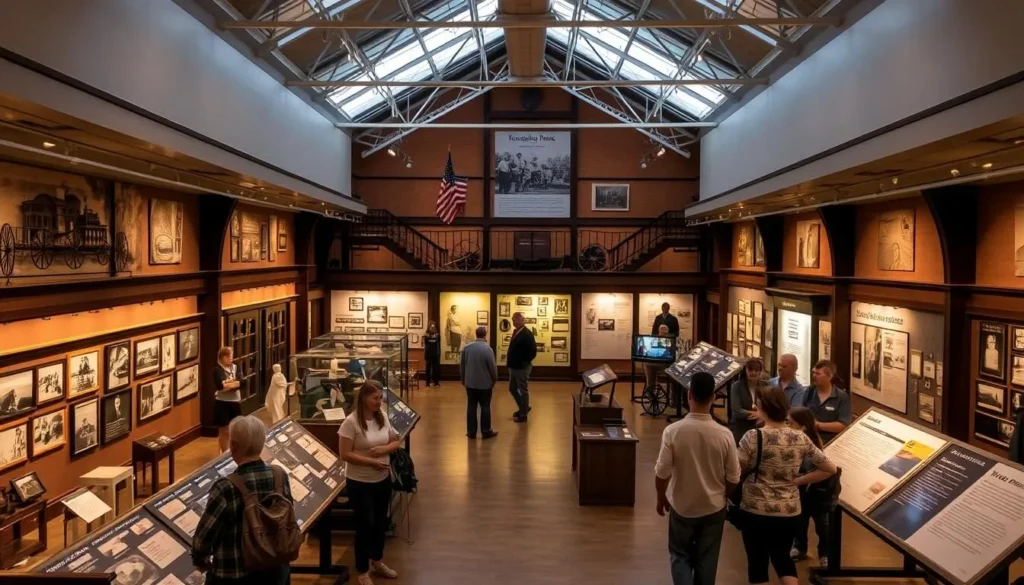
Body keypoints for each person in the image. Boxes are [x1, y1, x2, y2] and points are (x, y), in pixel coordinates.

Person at [737, 387, 837, 585]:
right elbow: (830, 468)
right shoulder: (799, 437)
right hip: (788, 509)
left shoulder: (753, 436)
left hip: (755, 507)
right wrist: (798, 480)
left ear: (763, 408)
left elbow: (737, 470)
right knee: (783, 560)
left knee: (757, 563)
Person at [655, 371, 740, 585]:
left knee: (680, 555)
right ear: (713, 397)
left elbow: (662, 472)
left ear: (689, 395)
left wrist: (661, 497)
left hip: (682, 505)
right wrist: (723, 495)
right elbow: (733, 476)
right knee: (708, 559)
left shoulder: (673, 431)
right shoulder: (725, 434)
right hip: (713, 506)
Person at [192, 416, 292, 585]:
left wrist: (199, 559)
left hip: (234, 573)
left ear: (233, 446)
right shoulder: (279, 475)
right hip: (275, 567)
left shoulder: (225, 487)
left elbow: (205, 536)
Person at [339, 381, 402, 585]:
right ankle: (362, 570)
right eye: (375, 398)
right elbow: (345, 454)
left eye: (380, 398)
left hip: (382, 480)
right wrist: (371, 462)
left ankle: (377, 560)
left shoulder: (382, 416)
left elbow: (396, 440)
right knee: (365, 525)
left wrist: (385, 450)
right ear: (364, 398)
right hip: (359, 482)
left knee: (380, 523)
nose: (379, 401)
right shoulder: (350, 423)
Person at [788, 407, 835, 567]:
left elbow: (821, 468)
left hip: (817, 493)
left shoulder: (813, 445)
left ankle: (825, 553)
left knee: (822, 526)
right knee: (799, 522)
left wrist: (798, 478)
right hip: (801, 493)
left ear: (803, 426)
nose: (787, 426)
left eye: (791, 423)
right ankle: (799, 547)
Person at [798, 360, 852, 444]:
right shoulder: (810, 391)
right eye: (813, 373)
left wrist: (818, 425)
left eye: (818, 374)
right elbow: (802, 413)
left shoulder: (841, 397)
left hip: (830, 442)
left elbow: (843, 425)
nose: (814, 376)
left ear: (830, 376)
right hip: (807, 440)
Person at [460, 326, 498, 439]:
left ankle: (471, 431)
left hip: (470, 383)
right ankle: (486, 431)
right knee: (485, 406)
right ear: (485, 335)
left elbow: (462, 365)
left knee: (471, 406)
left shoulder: (467, 348)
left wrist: (463, 379)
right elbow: (492, 367)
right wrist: (494, 379)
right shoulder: (487, 349)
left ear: (476, 334)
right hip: (485, 384)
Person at [506, 312, 536, 423]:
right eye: (513, 319)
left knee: (523, 390)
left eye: (516, 319)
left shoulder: (527, 334)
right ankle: (524, 407)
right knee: (512, 388)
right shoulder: (516, 331)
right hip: (514, 366)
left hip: (521, 367)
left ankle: (523, 415)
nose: (514, 322)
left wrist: (524, 362)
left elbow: (532, 352)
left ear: (522, 320)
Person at [213, 347, 242, 453]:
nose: (231, 358)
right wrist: (234, 383)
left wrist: (228, 384)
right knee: (224, 429)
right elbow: (220, 386)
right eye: (228, 356)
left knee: (236, 428)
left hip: (235, 402)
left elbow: (243, 382)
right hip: (222, 403)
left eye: (231, 356)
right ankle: (225, 452)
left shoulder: (236, 367)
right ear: (222, 357)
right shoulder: (217, 370)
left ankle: (234, 450)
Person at [729, 358, 765, 443]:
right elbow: (737, 411)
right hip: (740, 429)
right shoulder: (736, 386)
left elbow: (769, 407)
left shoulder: (765, 385)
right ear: (745, 370)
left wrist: (762, 414)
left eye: (756, 370)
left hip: (760, 429)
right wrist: (758, 414)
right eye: (750, 369)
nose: (753, 372)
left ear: (760, 371)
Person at [643, 324, 673, 389]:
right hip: (652, 363)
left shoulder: (670, 340)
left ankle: (672, 392)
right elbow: (650, 350)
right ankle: (650, 389)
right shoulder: (654, 339)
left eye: (664, 331)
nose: (662, 333)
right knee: (648, 367)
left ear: (667, 332)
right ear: (659, 331)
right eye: (661, 331)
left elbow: (671, 353)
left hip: (665, 364)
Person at [423, 321, 441, 387]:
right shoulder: (426, 334)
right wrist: (432, 339)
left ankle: (436, 382)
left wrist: (432, 339)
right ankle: (427, 383)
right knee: (428, 369)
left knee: (436, 368)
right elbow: (427, 342)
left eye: (434, 327)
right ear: (429, 327)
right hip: (428, 353)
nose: (432, 328)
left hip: (435, 353)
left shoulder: (437, 335)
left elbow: (437, 341)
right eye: (431, 327)